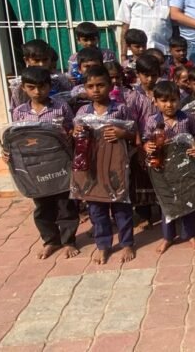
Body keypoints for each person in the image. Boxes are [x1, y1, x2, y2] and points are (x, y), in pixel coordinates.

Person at [6, 66, 79, 260]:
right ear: (24, 88)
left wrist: (70, 135)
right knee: (42, 206)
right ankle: (50, 241)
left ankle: (69, 241)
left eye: (42, 87)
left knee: (65, 204)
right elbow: (17, 139)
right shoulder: (20, 112)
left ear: (50, 86)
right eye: (32, 87)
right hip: (35, 167)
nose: (37, 92)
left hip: (59, 163)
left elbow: (72, 129)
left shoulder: (60, 106)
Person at [74, 65, 137, 264]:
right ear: (85, 88)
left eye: (100, 85)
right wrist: (76, 132)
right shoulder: (82, 112)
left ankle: (127, 243)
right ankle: (103, 246)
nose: (96, 90)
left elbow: (134, 134)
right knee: (96, 208)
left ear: (110, 86)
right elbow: (75, 137)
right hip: (92, 166)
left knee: (121, 206)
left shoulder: (121, 109)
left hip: (115, 165)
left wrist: (122, 133)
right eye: (90, 86)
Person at [143, 81, 195, 253]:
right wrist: (147, 146)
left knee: (187, 200)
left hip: (184, 165)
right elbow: (146, 140)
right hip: (161, 167)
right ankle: (168, 237)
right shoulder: (152, 121)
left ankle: (189, 234)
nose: (169, 105)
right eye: (164, 101)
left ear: (179, 100)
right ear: (155, 102)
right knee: (166, 202)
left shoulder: (187, 118)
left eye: (173, 100)